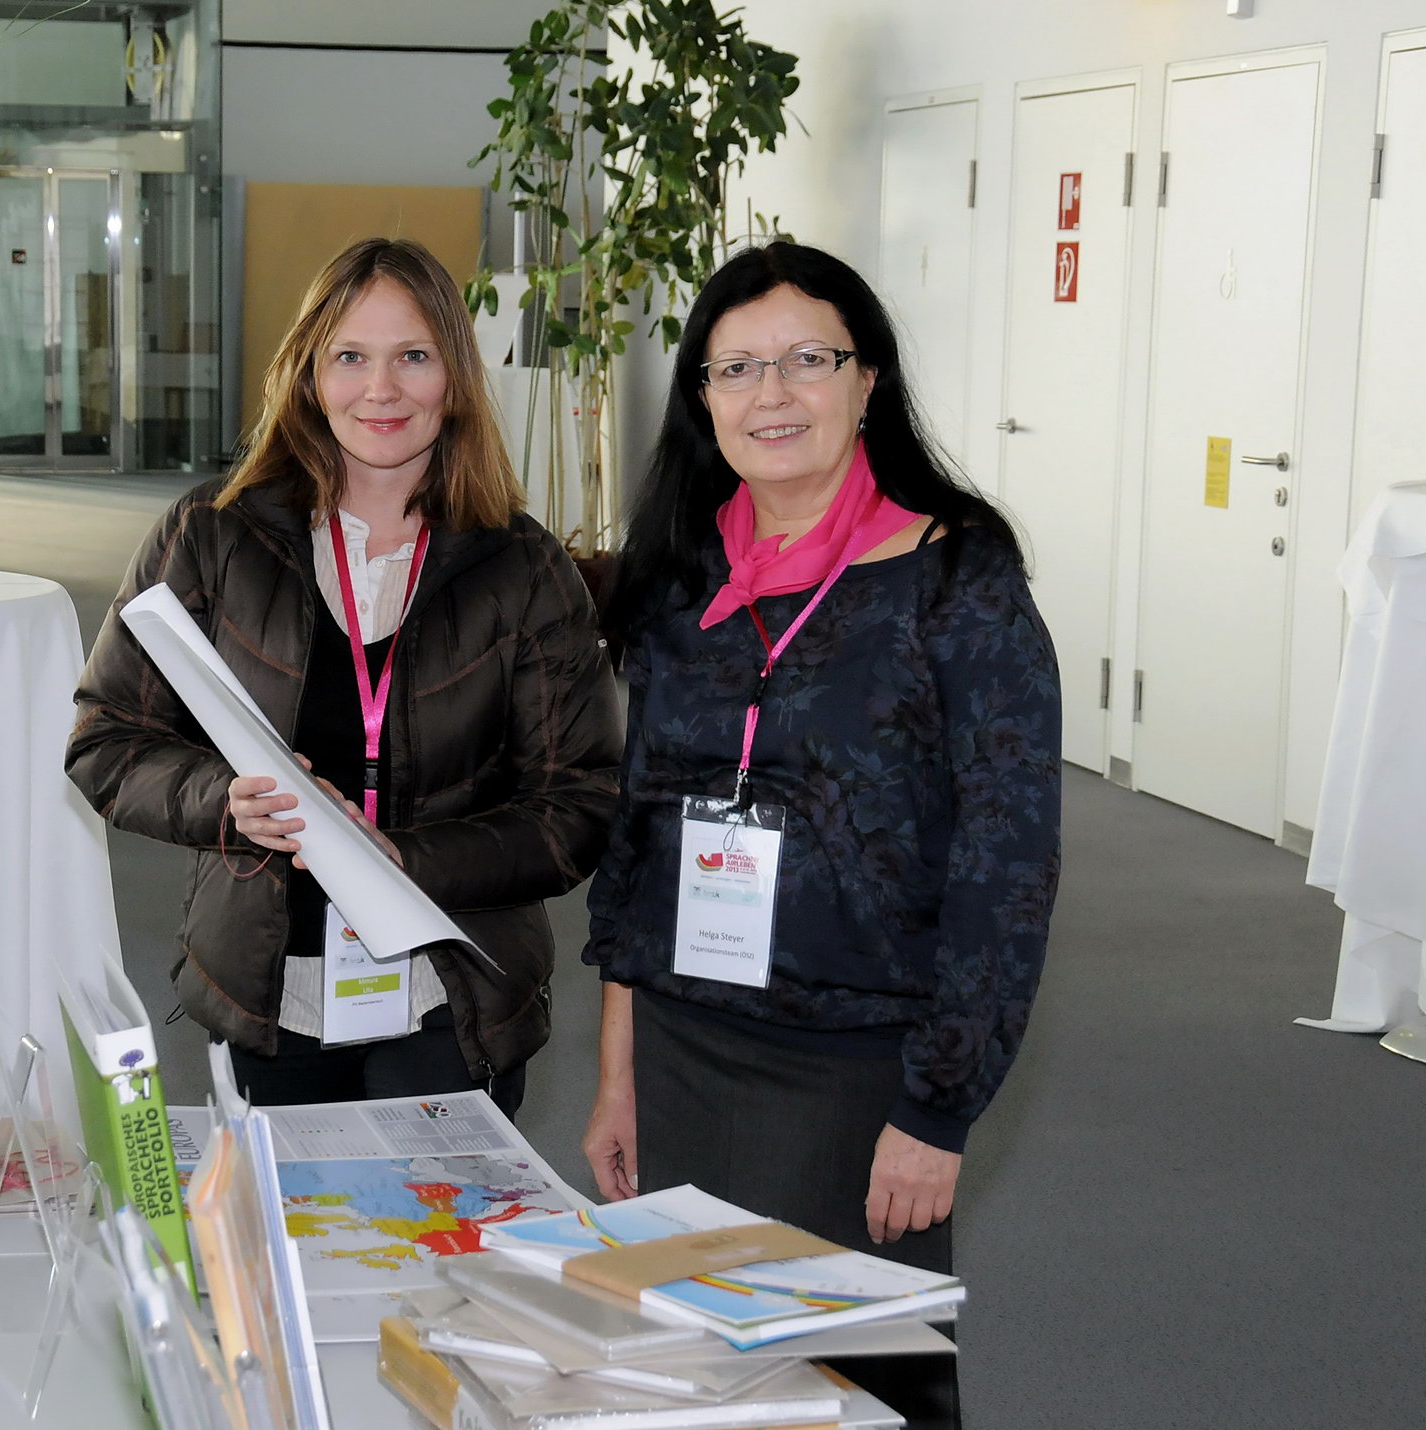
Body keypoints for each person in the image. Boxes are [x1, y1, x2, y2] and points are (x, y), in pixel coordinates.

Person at [579, 242, 1061, 1430]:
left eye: (806, 359)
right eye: (735, 367)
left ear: (867, 378)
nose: (771, 393)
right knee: (692, 1382)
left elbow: (1005, 866)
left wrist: (936, 1109)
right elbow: (640, 840)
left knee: (857, 1390)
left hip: (858, 1070)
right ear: (701, 395)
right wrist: (617, 1071)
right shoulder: (676, 576)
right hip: (685, 1045)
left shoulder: (957, 578)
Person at [68, 237, 621, 1115]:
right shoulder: (211, 535)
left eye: (414, 357)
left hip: (452, 994)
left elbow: (579, 803)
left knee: (434, 1209)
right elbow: (105, 741)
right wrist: (224, 802)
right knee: (280, 1206)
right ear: (308, 375)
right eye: (351, 357)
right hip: (268, 990)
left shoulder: (525, 567)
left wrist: (405, 860)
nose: (381, 389)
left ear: (456, 376)